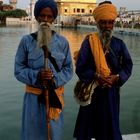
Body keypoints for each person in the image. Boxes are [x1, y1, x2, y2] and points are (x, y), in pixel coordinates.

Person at [73, 1, 133, 140]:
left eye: (110, 22)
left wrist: (117, 77)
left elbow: (128, 66)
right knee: (87, 130)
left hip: (111, 93)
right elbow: (80, 67)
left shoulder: (119, 44)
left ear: (113, 23)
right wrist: (96, 76)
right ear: (98, 23)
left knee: (110, 130)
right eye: (103, 22)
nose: (107, 26)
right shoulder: (89, 41)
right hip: (92, 92)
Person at [14, 0, 73, 140]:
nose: (45, 20)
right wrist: (36, 75)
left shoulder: (63, 42)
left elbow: (69, 68)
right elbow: (18, 70)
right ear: (37, 17)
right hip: (33, 99)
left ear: (53, 19)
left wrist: (54, 80)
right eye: (42, 16)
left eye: (49, 16)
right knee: (32, 134)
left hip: (55, 99)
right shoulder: (26, 41)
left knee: (54, 134)